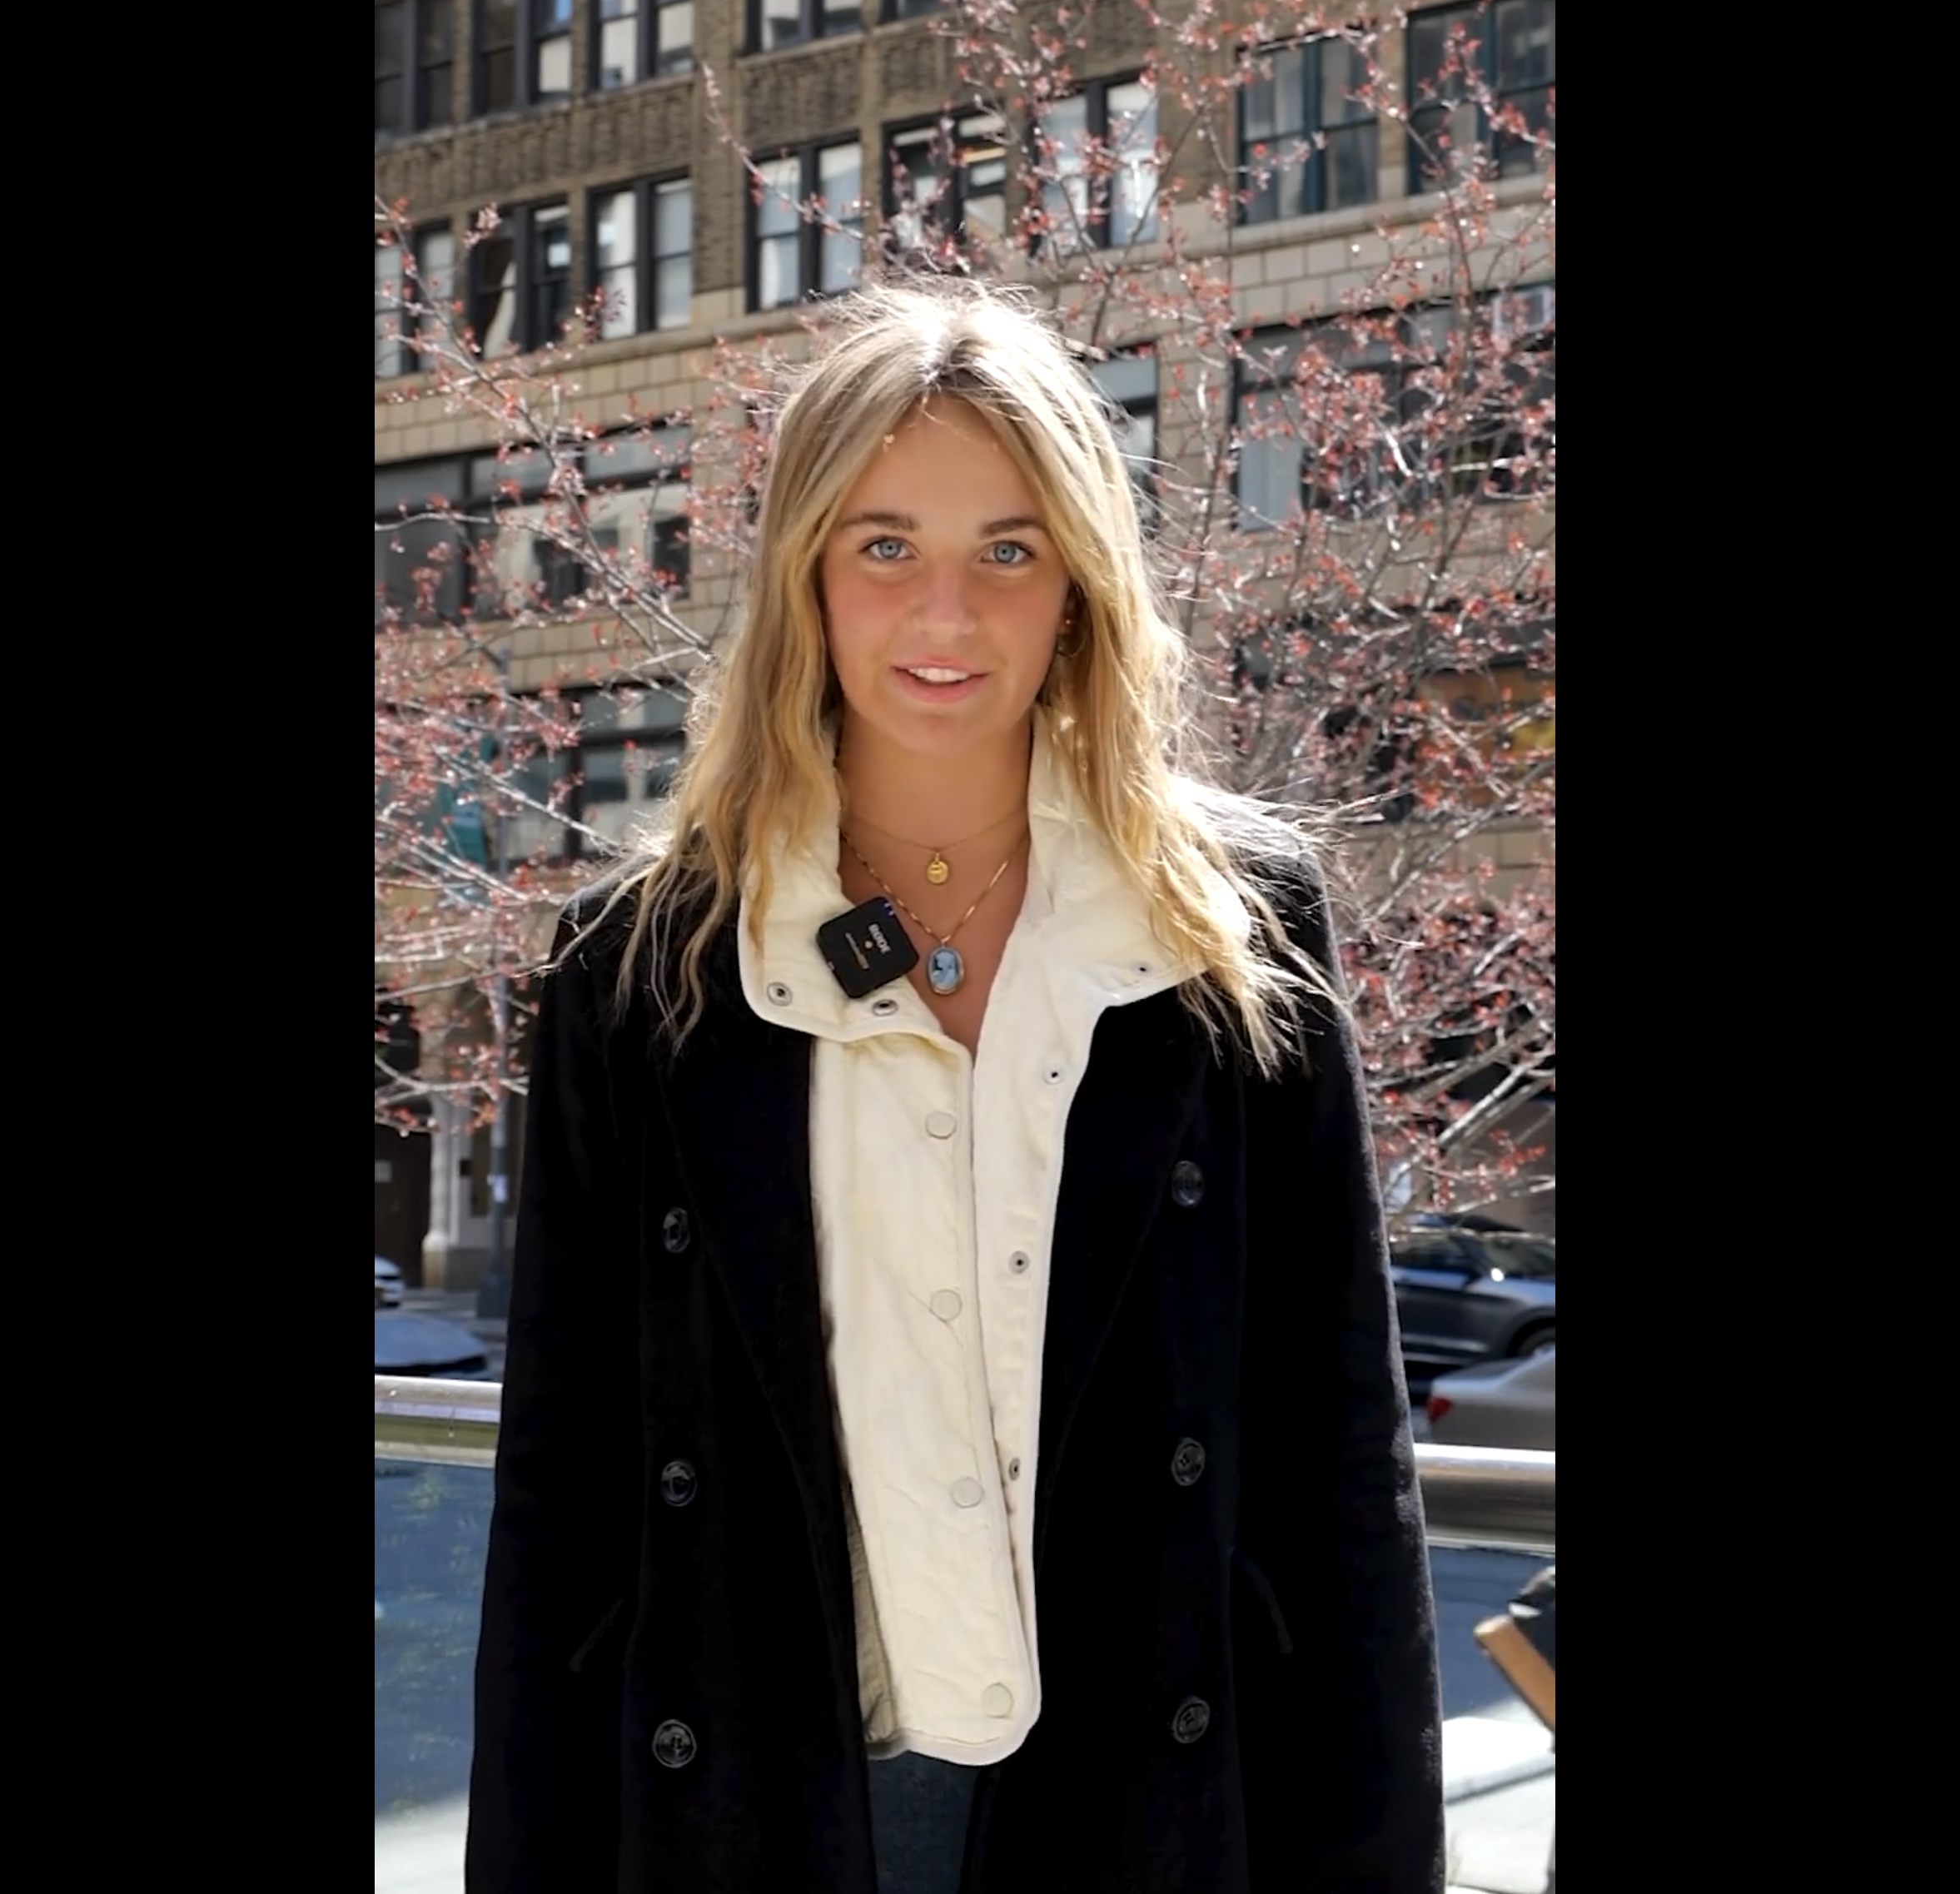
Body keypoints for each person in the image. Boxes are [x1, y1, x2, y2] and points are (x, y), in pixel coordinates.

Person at [465, 279, 1443, 1894]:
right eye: (884, 545)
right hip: (754, 1814)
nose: (945, 615)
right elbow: (556, 1515)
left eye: (1008, 548)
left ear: (1078, 582)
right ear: (804, 580)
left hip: (1147, 1809)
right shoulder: (636, 969)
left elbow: (1344, 1475)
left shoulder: (1231, 929)